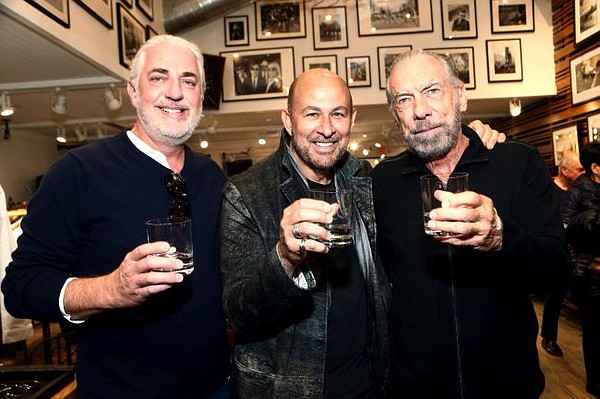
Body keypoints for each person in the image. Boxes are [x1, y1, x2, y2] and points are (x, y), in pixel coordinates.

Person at [219, 67, 505, 398]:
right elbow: (240, 314)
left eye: (337, 114)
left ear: (352, 119)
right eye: (312, 114)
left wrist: (470, 137)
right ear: (288, 120)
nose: (326, 129)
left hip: (369, 385)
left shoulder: (366, 178)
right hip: (288, 390)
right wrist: (284, 257)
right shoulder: (246, 193)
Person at [1, 35, 230, 398]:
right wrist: (110, 289)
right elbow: (21, 288)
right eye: (158, 77)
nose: (175, 91)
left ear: (201, 95)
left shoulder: (213, 177)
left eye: (189, 80)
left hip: (215, 387)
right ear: (133, 91)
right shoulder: (77, 173)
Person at [372, 50, 569, 398]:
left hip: (507, 384)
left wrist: (501, 238)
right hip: (416, 388)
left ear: (460, 95)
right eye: (404, 99)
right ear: (396, 114)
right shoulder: (383, 181)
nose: (420, 110)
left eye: (432, 90)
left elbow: (557, 269)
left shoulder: (516, 162)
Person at [561, 142, 600, 396]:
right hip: (590, 271)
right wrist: (589, 222)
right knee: (595, 328)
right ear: (595, 168)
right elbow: (563, 228)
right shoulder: (578, 191)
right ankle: (595, 380)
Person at [540, 150, 584, 357]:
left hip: (577, 250)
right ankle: (549, 336)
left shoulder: (580, 190)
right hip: (556, 249)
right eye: (579, 169)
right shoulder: (547, 190)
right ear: (564, 170)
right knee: (556, 295)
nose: (582, 173)